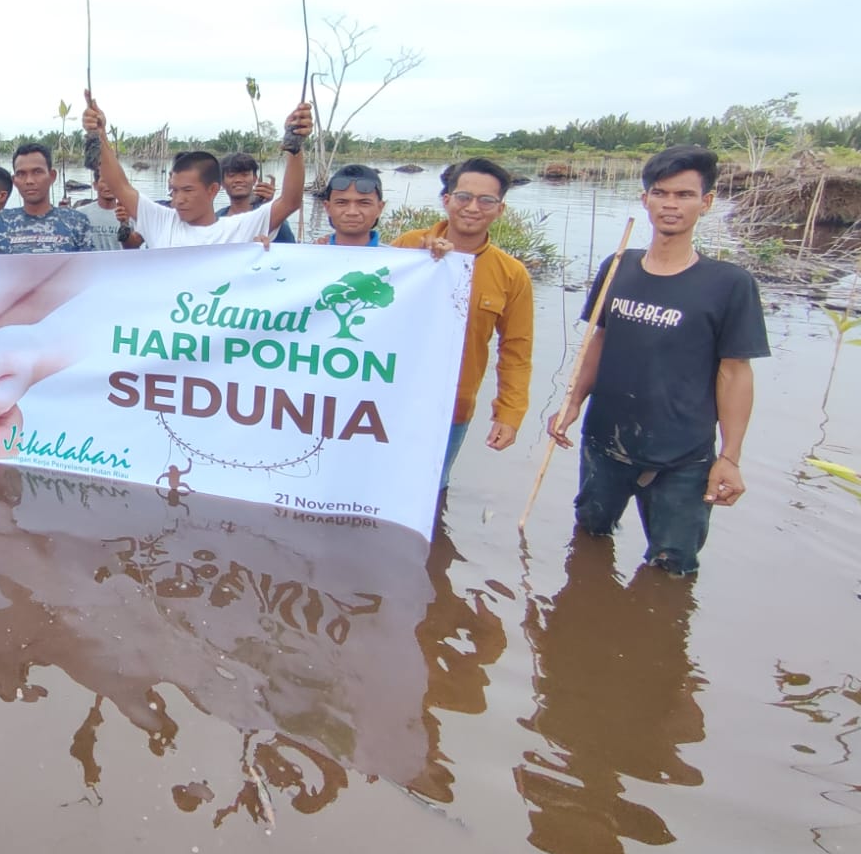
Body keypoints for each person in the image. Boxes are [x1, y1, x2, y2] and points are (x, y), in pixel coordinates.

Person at [547, 146, 769, 576]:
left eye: (685, 195)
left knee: (673, 566)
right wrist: (572, 404)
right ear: (644, 198)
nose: (671, 204)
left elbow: (735, 373)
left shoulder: (729, 285)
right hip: (605, 441)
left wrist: (731, 456)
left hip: (682, 456)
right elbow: (598, 341)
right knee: (589, 537)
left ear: (706, 203)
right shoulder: (618, 266)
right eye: (661, 193)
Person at [393, 157, 532, 490]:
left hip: (453, 407)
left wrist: (508, 414)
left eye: (486, 201)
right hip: (388, 399)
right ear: (446, 200)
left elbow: (516, 350)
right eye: (463, 197)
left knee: (431, 491)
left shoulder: (512, 274)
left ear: (500, 209)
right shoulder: (407, 247)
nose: (473, 208)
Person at [85, 97, 312, 247]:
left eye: (187, 190)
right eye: (174, 190)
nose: (178, 200)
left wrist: (294, 142)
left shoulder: (239, 228)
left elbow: (290, 202)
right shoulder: (161, 221)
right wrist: (100, 134)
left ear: (213, 190)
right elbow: (120, 186)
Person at [0, 144, 93, 254]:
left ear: (52, 176)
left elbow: (91, 271)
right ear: (15, 181)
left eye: (37, 172)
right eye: (21, 174)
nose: (29, 180)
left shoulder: (77, 222)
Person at [217, 153, 295, 243]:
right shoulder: (216, 220)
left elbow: (291, 247)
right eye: (231, 175)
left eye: (245, 175)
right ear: (222, 182)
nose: (238, 180)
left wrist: (269, 206)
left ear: (255, 179)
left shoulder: (268, 215)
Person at [314, 164, 386, 246]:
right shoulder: (308, 255)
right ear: (327, 207)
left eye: (364, 203)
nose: (352, 212)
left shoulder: (394, 257)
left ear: (380, 208)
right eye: (341, 203)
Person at [76, 170, 143, 251]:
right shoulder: (80, 214)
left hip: (119, 262)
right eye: (104, 182)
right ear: (95, 185)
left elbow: (134, 247)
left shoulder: (131, 214)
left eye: (112, 182)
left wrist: (125, 223)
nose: (109, 186)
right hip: (92, 263)